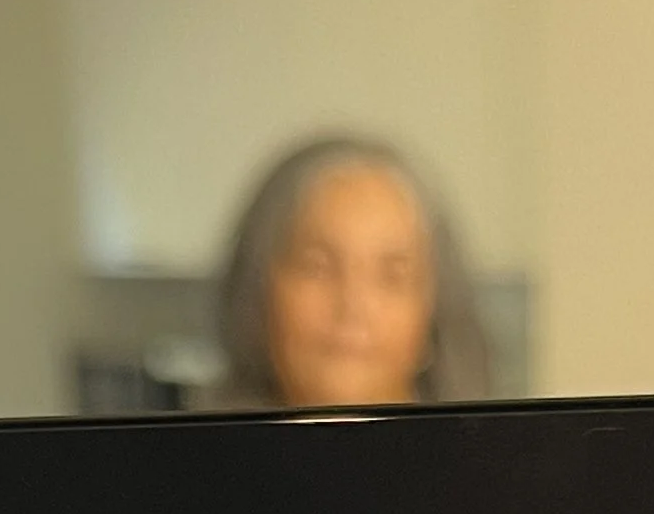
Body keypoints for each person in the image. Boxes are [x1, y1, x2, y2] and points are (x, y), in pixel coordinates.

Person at [209, 135, 489, 411]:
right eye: (318, 267)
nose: (353, 306)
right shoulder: (198, 437)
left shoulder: (492, 441)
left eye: (392, 276)